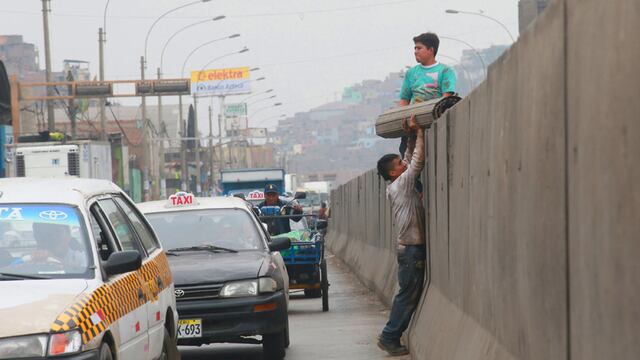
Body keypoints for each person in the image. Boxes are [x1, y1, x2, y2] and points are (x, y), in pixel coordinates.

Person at [376, 115, 426, 356]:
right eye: (399, 164)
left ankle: (390, 335)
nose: (403, 164)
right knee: (407, 296)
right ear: (394, 173)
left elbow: (407, 159)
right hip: (411, 249)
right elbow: (416, 163)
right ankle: (389, 336)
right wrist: (420, 133)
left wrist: (408, 136)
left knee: (406, 294)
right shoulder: (402, 185)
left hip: (408, 249)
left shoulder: (396, 184)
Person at [399, 32, 457, 196]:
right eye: (414, 48)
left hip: (433, 124)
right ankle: (418, 191)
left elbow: (447, 97)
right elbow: (404, 99)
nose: (415, 51)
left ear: (431, 50)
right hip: (412, 123)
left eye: (419, 48)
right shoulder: (411, 73)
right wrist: (401, 118)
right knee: (406, 155)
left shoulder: (445, 71)